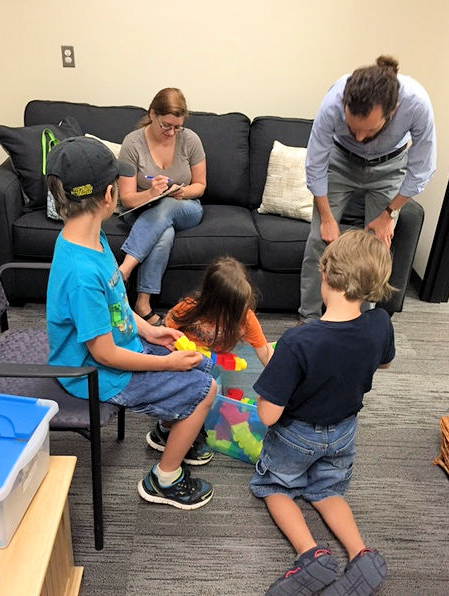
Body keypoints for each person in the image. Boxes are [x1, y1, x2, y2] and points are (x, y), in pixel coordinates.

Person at [46, 136, 216, 510]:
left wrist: (149, 329)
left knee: (202, 359)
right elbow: (103, 353)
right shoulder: (81, 273)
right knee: (205, 389)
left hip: (120, 350)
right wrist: (164, 363)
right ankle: (163, 479)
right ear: (109, 195)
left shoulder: (93, 238)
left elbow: (117, 305)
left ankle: (167, 426)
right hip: (93, 374)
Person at [250, 229, 395, 595]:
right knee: (328, 489)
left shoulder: (298, 340)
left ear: (325, 275)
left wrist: (268, 384)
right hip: (344, 430)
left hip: (297, 436)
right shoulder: (380, 324)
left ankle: (310, 554)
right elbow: (385, 363)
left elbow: (268, 415)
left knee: (273, 485)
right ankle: (360, 553)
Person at [299, 55, 436, 323]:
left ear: (392, 110)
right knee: (318, 239)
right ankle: (308, 319)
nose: (360, 139)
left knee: (376, 249)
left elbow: (422, 170)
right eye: (353, 128)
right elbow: (315, 165)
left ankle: (360, 323)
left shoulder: (416, 104)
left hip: (389, 166)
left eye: (369, 130)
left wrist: (388, 213)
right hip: (340, 162)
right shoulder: (333, 101)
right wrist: (327, 219)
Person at [144, 256, 274, 456]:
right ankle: (165, 430)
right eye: (230, 310)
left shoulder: (245, 317)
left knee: (210, 396)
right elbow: (164, 333)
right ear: (211, 301)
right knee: (185, 396)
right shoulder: (190, 307)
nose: (236, 314)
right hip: (184, 361)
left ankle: (191, 427)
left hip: (213, 363)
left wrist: (280, 379)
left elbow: (264, 351)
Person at [118, 87, 206, 326]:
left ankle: (124, 270)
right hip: (140, 210)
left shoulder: (191, 140)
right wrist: (150, 193)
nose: (171, 132)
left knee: (166, 205)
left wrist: (181, 191)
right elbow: (126, 199)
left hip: (185, 206)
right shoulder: (132, 143)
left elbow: (200, 185)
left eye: (177, 127)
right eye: (166, 125)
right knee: (164, 233)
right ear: (152, 114)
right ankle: (143, 304)